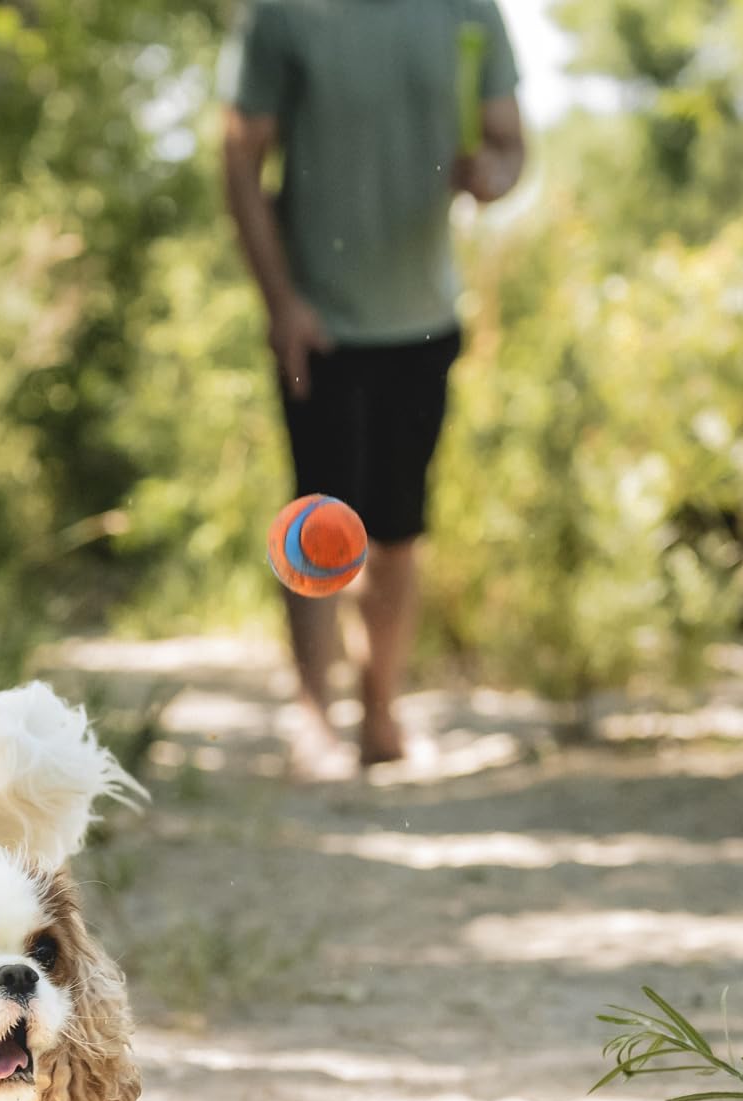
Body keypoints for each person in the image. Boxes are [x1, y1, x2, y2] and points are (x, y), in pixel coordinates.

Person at [219, 0, 527, 778]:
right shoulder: (283, 15)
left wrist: (493, 177)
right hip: (319, 322)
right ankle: (312, 721)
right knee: (318, 520)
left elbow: (510, 143)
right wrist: (281, 302)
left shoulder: (468, 11)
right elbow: (240, 159)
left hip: (424, 319)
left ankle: (380, 716)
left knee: (397, 530)